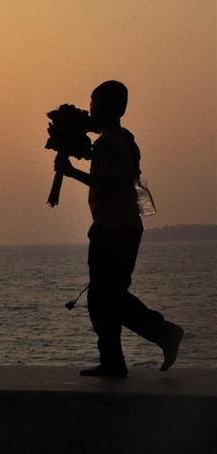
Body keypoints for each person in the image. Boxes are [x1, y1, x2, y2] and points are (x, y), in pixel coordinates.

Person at [55, 80, 183, 377]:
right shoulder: (126, 138)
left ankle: (162, 334)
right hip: (125, 227)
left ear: (103, 107)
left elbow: (112, 184)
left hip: (113, 229)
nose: (89, 109)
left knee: (104, 298)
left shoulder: (108, 143)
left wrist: (71, 172)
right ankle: (116, 360)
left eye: (92, 104)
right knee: (108, 297)